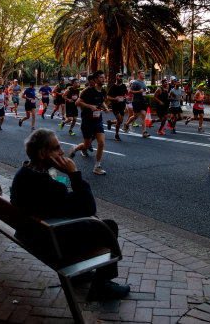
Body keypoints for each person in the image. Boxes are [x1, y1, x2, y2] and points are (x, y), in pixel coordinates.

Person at [10, 129, 130, 300]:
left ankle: (81, 276)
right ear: (41, 154)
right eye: (57, 148)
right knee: (108, 226)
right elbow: (88, 207)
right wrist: (74, 174)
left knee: (94, 222)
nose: (62, 152)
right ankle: (101, 286)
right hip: (53, 244)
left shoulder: (23, 173)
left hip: (31, 234)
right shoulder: (49, 188)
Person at [70, 70, 108, 175]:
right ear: (95, 79)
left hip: (98, 121)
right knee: (87, 145)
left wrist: (105, 107)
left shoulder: (103, 91)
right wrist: (90, 106)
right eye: (101, 77)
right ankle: (75, 148)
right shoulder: (88, 91)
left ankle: (97, 166)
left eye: (104, 77)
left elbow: (101, 102)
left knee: (101, 143)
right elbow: (77, 102)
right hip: (87, 121)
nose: (103, 79)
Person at [124, 70, 150, 138]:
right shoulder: (135, 82)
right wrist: (139, 91)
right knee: (135, 116)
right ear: (139, 75)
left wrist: (146, 92)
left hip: (143, 101)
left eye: (144, 73)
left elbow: (142, 92)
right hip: (136, 101)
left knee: (143, 115)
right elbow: (130, 91)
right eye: (142, 74)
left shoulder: (144, 82)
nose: (144, 75)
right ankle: (126, 124)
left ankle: (144, 132)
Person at [106, 72, 127, 141]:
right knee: (119, 120)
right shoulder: (113, 87)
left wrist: (126, 99)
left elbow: (126, 95)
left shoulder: (124, 86)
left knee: (120, 121)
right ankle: (116, 135)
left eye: (121, 77)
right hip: (115, 105)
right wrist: (115, 98)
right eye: (119, 77)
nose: (120, 78)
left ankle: (111, 122)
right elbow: (108, 97)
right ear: (116, 77)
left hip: (122, 105)